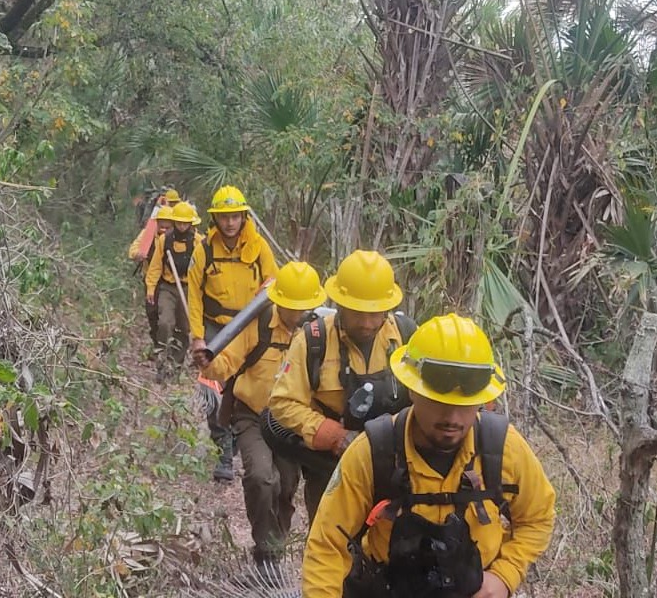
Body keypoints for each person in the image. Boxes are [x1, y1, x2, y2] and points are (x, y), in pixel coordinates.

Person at [301, 314, 555, 598]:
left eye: (465, 406)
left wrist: (505, 575)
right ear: (412, 390)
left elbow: (538, 518)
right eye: (439, 403)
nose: (452, 418)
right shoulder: (373, 452)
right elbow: (327, 546)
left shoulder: (503, 448)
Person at [266, 249, 415, 523]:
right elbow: (282, 402)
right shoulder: (314, 341)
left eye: (376, 313)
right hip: (330, 470)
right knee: (330, 544)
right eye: (359, 313)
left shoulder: (405, 338)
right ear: (341, 304)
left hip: (392, 470)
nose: (369, 323)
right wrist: (335, 436)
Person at [199, 261, 327, 569]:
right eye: (289, 307)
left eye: (302, 308)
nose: (295, 314)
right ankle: (266, 551)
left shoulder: (317, 334)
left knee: (285, 485)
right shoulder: (258, 323)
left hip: (292, 423)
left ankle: (274, 545)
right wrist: (208, 362)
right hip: (253, 415)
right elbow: (227, 361)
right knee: (260, 478)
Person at [187, 185, 278, 481]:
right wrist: (198, 337)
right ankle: (223, 451)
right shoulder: (204, 250)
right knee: (213, 387)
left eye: (235, 217)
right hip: (216, 328)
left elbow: (274, 281)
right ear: (215, 219)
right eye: (224, 217)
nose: (230, 223)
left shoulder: (259, 246)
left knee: (244, 387)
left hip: (251, 325)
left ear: (243, 216)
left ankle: (242, 434)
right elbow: (194, 295)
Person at [145, 201, 203, 381]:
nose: (182, 226)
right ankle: (162, 363)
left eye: (186, 223)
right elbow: (155, 267)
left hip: (189, 289)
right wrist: (151, 287)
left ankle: (176, 366)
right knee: (165, 323)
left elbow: (204, 269)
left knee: (185, 328)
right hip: (168, 288)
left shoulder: (199, 242)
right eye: (179, 222)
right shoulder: (165, 240)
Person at [129, 204, 174, 353]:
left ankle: (167, 345)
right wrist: (139, 254)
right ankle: (157, 342)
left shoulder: (176, 239)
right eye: (162, 226)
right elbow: (133, 250)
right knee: (152, 312)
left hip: (168, 282)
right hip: (150, 279)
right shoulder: (147, 235)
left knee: (166, 316)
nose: (164, 230)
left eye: (168, 227)